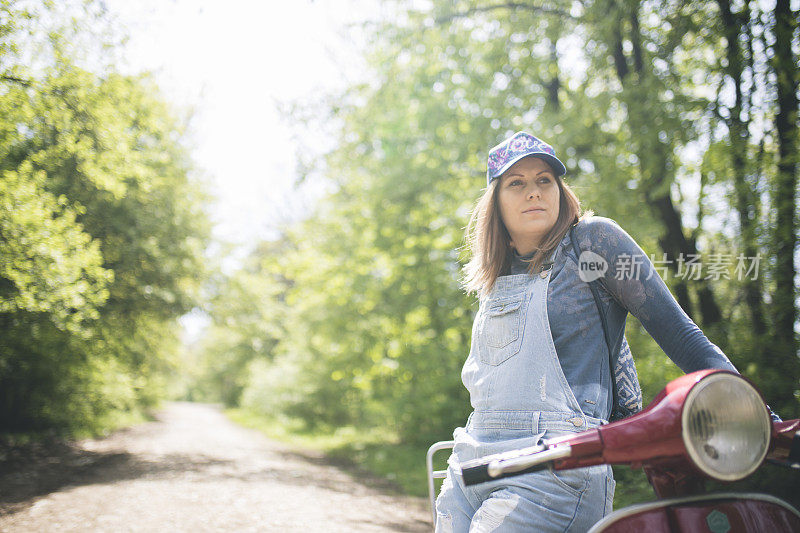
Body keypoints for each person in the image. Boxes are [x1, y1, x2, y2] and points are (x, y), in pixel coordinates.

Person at [434, 131, 740, 533]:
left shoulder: (594, 243)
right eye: (517, 183)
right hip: (470, 465)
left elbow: (683, 336)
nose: (534, 192)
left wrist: (752, 414)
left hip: (553, 468)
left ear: (560, 191)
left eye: (545, 180)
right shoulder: (495, 276)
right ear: (496, 204)